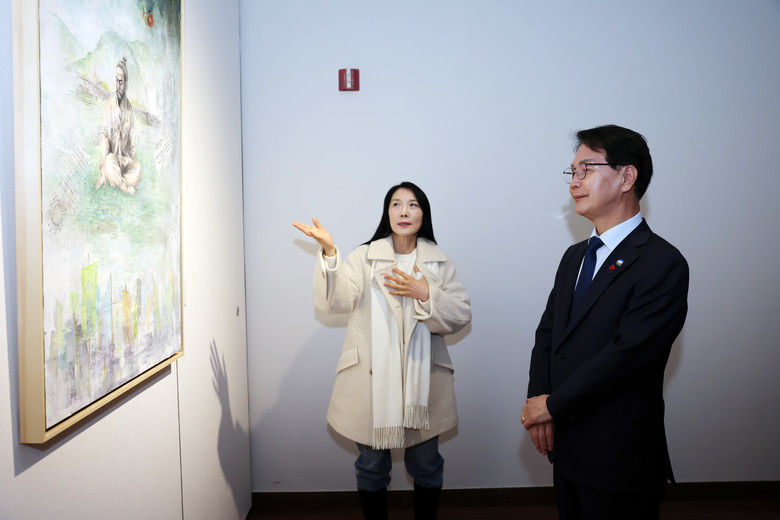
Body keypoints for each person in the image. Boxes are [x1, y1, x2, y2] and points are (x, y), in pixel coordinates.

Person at [522, 125, 689, 519]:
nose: (574, 182)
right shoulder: (574, 257)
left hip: (619, 453)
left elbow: (628, 355)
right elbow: (548, 335)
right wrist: (538, 401)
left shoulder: (662, 262)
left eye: (586, 169)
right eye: (572, 172)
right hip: (566, 444)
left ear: (627, 177)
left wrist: (553, 406)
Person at [293, 182, 471, 520]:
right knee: (372, 467)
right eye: (396, 204)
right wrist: (330, 253)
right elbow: (336, 302)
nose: (404, 211)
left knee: (426, 465)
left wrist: (425, 293)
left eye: (413, 204)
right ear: (387, 212)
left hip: (423, 387)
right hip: (370, 384)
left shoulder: (438, 261)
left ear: (423, 213)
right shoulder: (364, 257)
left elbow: (461, 314)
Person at [94, 56, 142, 195]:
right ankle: (123, 186)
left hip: (124, 162)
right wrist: (102, 169)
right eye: (116, 80)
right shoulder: (110, 102)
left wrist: (132, 163)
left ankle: (118, 180)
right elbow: (104, 136)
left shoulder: (129, 109)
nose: (118, 84)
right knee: (109, 162)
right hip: (113, 160)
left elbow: (132, 142)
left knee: (138, 169)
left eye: (121, 81)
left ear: (126, 83)